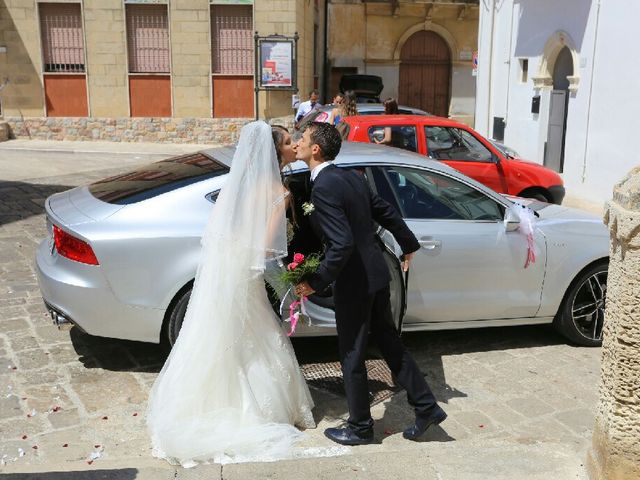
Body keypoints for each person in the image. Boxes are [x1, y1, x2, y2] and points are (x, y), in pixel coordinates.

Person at [146, 121, 315, 467]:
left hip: (230, 269)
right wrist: (289, 285)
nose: (293, 144)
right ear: (276, 152)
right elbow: (267, 250)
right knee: (256, 338)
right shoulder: (278, 193)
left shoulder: (240, 187)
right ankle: (258, 411)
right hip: (249, 274)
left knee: (225, 336)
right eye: (287, 141)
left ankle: (210, 402)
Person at [293, 122, 446, 446]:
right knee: (390, 343)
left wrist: (316, 282)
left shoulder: (324, 186)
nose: (298, 143)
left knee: (352, 354)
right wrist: (408, 244)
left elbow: (342, 243)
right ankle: (427, 407)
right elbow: (385, 211)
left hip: (356, 283)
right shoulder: (351, 176)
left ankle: (361, 427)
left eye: (303, 138)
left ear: (316, 148)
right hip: (376, 275)